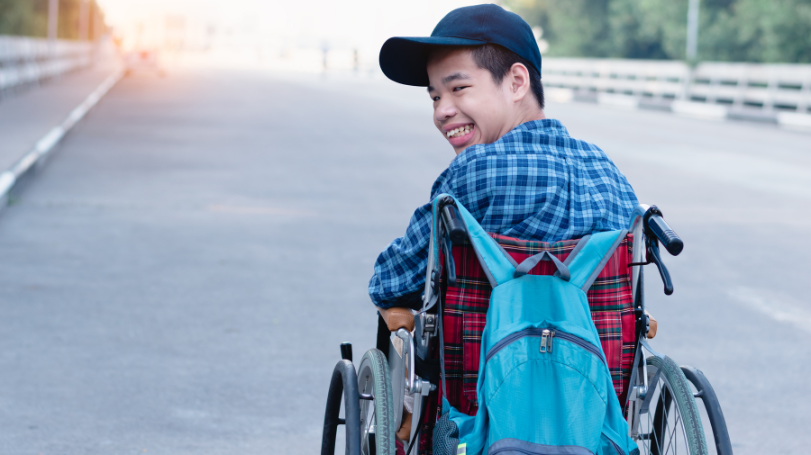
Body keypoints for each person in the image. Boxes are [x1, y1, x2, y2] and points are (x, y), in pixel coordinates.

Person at [370, 4, 639, 313]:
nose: (442, 110)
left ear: (516, 83)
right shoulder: (604, 169)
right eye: (435, 97)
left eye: (459, 88)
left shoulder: (475, 170)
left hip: (484, 353)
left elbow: (393, 283)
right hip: (600, 353)